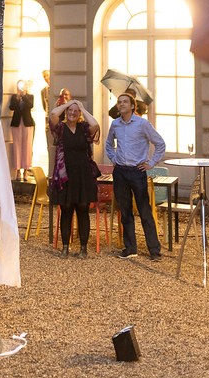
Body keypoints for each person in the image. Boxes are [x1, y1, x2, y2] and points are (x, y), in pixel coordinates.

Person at [105, 92, 165, 261]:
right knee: (125, 212)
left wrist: (151, 163)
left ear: (132, 106)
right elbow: (109, 144)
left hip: (137, 172)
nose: (121, 104)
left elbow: (160, 143)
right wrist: (113, 158)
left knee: (145, 211)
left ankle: (154, 250)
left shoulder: (142, 124)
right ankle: (130, 248)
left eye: (125, 102)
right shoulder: (115, 124)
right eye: (119, 102)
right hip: (120, 172)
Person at [49, 100, 100, 257]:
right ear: (66, 112)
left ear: (79, 114)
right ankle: (65, 248)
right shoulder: (60, 128)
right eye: (70, 110)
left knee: (83, 210)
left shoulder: (84, 128)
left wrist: (82, 108)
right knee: (66, 209)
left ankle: (83, 249)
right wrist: (68, 104)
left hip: (83, 174)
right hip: (65, 175)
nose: (72, 113)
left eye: (75, 111)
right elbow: (53, 114)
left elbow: (95, 124)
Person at [9, 79, 35, 180]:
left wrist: (23, 96)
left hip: (27, 124)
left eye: (23, 86)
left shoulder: (30, 96)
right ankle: (18, 171)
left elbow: (30, 105)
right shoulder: (14, 97)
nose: (21, 88)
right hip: (16, 124)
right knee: (17, 147)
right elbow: (11, 107)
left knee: (27, 147)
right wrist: (17, 98)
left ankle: (26, 171)